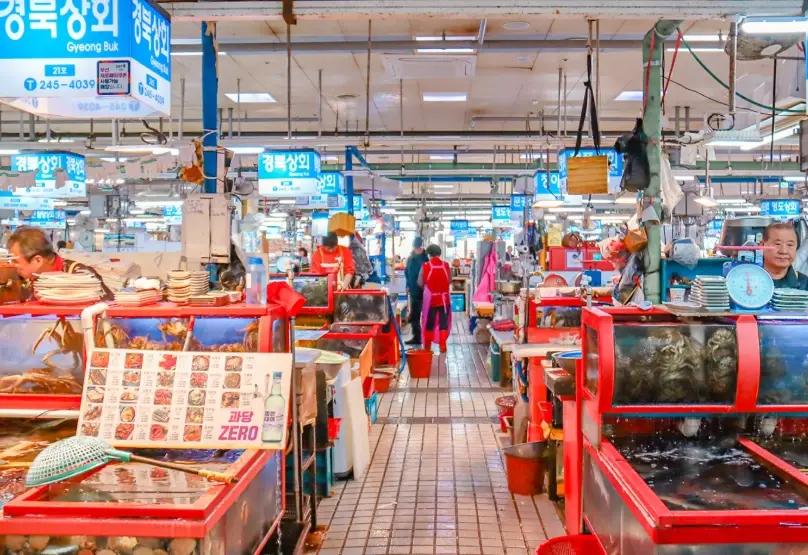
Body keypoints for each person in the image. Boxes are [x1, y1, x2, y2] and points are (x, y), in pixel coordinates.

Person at [7, 226, 113, 300]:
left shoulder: (80, 275)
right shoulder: (20, 280)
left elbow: (106, 309)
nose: (12, 265)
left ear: (37, 260)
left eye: (15, 261)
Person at [418, 244, 452, 353]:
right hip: (444, 300)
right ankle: (443, 347)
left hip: (431, 301)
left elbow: (420, 282)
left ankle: (427, 347)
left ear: (429, 254)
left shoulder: (426, 266)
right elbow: (449, 280)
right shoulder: (446, 265)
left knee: (429, 323)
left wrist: (428, 289)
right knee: (443, 322)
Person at [761, 221, 808, 289]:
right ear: (762, 245)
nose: (783, 251)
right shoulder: (746, 278)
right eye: (777, 244)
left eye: (790, 245)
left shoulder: (805, 284)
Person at [405, 237, 429, 346]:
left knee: (427, 316)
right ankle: (417, 337)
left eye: (418, 247)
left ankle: (427, 337)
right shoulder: (410, 258)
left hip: (425, 291)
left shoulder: (426, 259)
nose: (417, 249)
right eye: (415, 247)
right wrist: (407, 285)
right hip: (413, 290)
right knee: (414, 315)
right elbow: (407, 273)